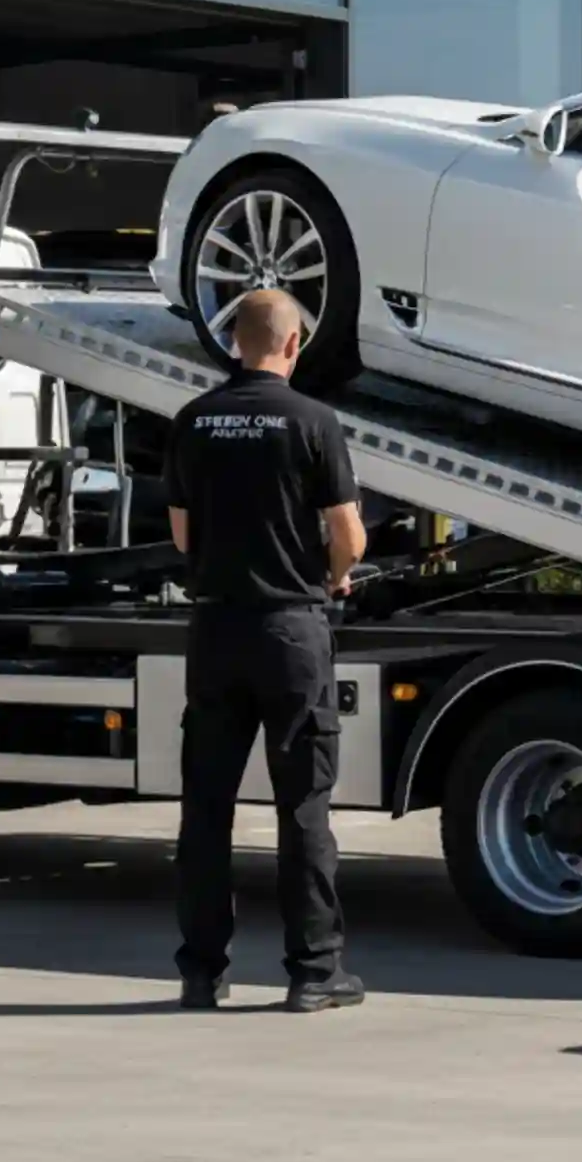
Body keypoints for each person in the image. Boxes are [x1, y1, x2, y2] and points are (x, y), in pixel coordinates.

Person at [164, 287, 368, 1012]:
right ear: (292, 345)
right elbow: (347, 534)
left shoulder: (194, 420)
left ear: (236, 343)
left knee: (206, 806)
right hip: (292, 633)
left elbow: (183, 537)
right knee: (303, 807)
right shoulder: (313, 421)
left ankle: (200, 971)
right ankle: (314, 974)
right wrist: (335, 577)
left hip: (215, 632)